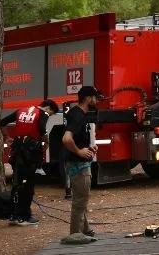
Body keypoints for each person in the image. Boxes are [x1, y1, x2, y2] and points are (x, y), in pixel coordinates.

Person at [0, 99, 58, 226]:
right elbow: (42, 129)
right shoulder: (43, 114)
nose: (50, 115)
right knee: (28, 184)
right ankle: (24, 216)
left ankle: (14, 215)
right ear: (48, 108)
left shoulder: (21, 110)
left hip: (17, 150)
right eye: (52, 113)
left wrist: (7, 137)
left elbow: (2, 122)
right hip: (30, 152)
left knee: (17, 183)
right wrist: (46, 142)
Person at [61, 86, 100, 241]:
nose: (96, 100)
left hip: (75, 162)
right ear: (88, 98)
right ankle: (75, 234)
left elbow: (74, 139)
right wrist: (79, 152)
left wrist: (87, 148)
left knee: (81, 196)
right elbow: (66, 139)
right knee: (80, 199)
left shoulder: (76, 113)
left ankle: (85, 229)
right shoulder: (78, 115)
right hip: (78, 164)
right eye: (95, 97)